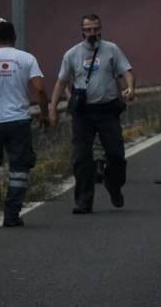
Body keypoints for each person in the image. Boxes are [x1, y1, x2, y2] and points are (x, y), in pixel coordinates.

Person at [0, 19, 50, 228]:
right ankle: (12, 215)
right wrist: (45, 114)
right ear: (15, 37)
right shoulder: (27, 58)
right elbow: (40, 90)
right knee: (19, 168)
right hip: (19, 122)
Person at [51, 14, 135, 213]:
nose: (92, 33)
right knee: (82, 158)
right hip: (83, 113)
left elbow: (126, 71)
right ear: (82, 31)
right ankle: (83, 201)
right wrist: (52, 109)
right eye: (88, 30)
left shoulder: (112, 49)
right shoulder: (71, 54)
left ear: (101, 29)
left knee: (116, 155)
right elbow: (61, 81)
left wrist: (130, 88)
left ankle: (113, 185)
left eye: (96, 29)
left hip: (107, 110)